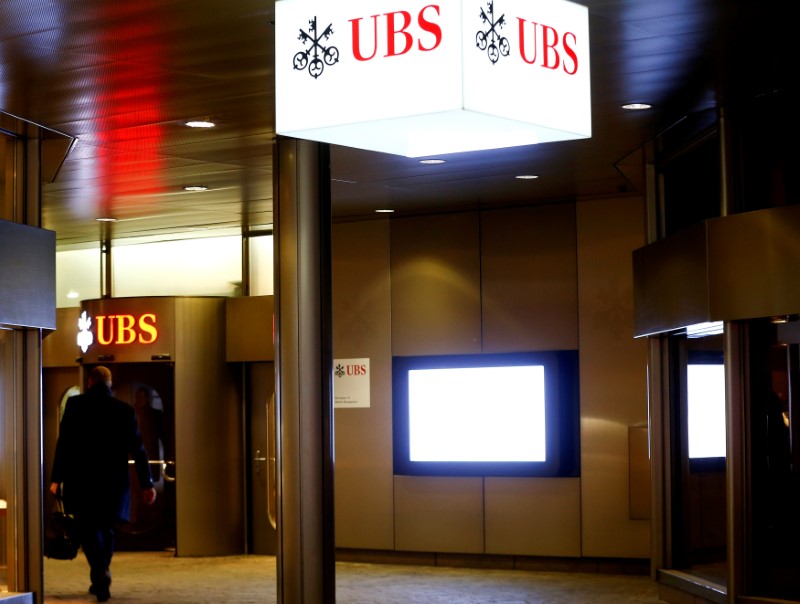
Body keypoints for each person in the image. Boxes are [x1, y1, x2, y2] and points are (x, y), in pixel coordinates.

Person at [50, 366, 157, 602]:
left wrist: (56, 478)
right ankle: (101, 574)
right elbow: (138, 449)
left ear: (90, 382)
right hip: (113, 482)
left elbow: (64, 444)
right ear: (109, 383)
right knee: (107, 530)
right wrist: (147, 483)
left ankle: (99, 574)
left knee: (88, 530)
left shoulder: (75, 406)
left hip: (82, 481)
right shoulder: (124, 411)